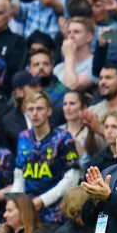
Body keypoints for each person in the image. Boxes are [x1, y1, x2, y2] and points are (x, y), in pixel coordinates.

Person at [12, 92, 79, 226]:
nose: (35, 113)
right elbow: (19, 175)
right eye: (30, 109)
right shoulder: (23, 137)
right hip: (26, 212)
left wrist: (42, 201)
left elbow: (72, 179)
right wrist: (15, 203)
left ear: (49, 111)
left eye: (40, 108)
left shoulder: (63, 138)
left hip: (54, 214)